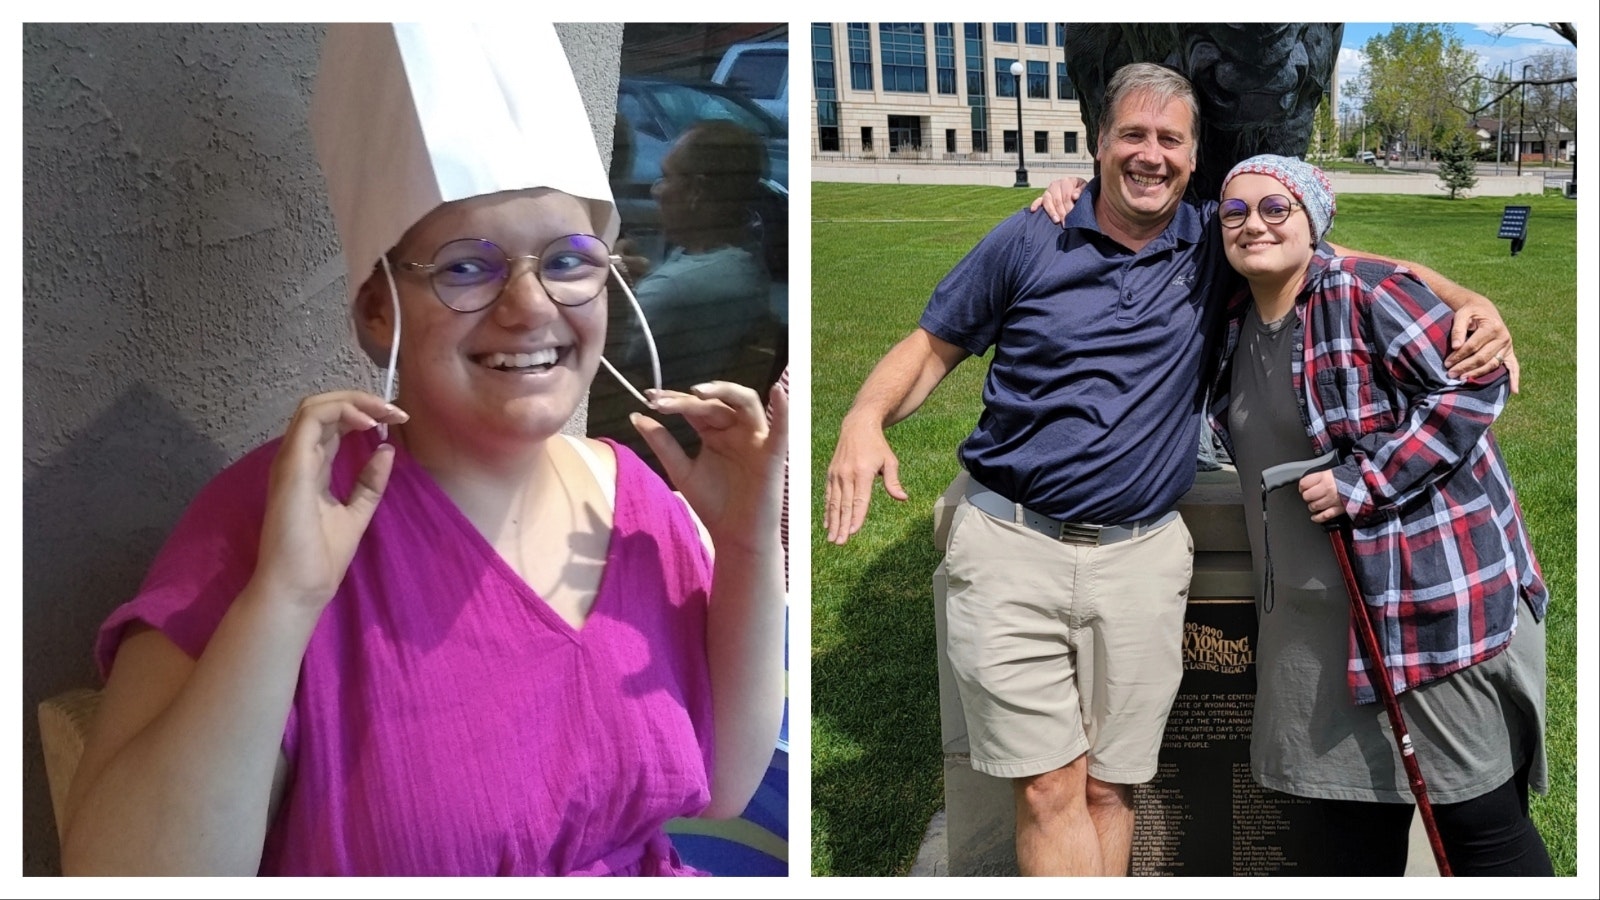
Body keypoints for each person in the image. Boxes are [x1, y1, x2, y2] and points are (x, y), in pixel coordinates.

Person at [59, 23, 786, 876]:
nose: (531, 306)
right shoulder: (278, 515)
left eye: (568, 259)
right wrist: (287, 598)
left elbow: (724, 786)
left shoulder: (644, 507)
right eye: (466, 267)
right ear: (377, 312)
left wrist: (743, 544)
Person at [823, 62, 1511, 877]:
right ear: (1099, 143)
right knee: (1049, 787)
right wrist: (863, 419)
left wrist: (1476, 302)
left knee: (1114, 789)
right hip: (1013, 544)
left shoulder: (1214, 239)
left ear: (1193, 159)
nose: (1150, 155)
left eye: (1170, 140)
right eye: (1132, 135)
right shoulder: (1030, 234)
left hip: (1141, 557)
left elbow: (1349, 261)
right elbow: (932, 345)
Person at [1206, 154, 1550, 876]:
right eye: (1235, 211)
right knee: (1344, 844)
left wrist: (1365, 481)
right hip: (1311, 637)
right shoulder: (1236, 323)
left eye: (1277, 208)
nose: (1253, 224)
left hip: (1416, 613)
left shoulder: (1363, 293)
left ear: (1314, 219)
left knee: (1478, 831)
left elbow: (1473, 387)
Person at [596, 120, 780, 474]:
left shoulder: (680, 287)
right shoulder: (739, 258)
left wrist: (615, 289)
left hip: (645, 447)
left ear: (696, 192)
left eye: (666, 177)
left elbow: (602, 361)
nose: (655, 190)